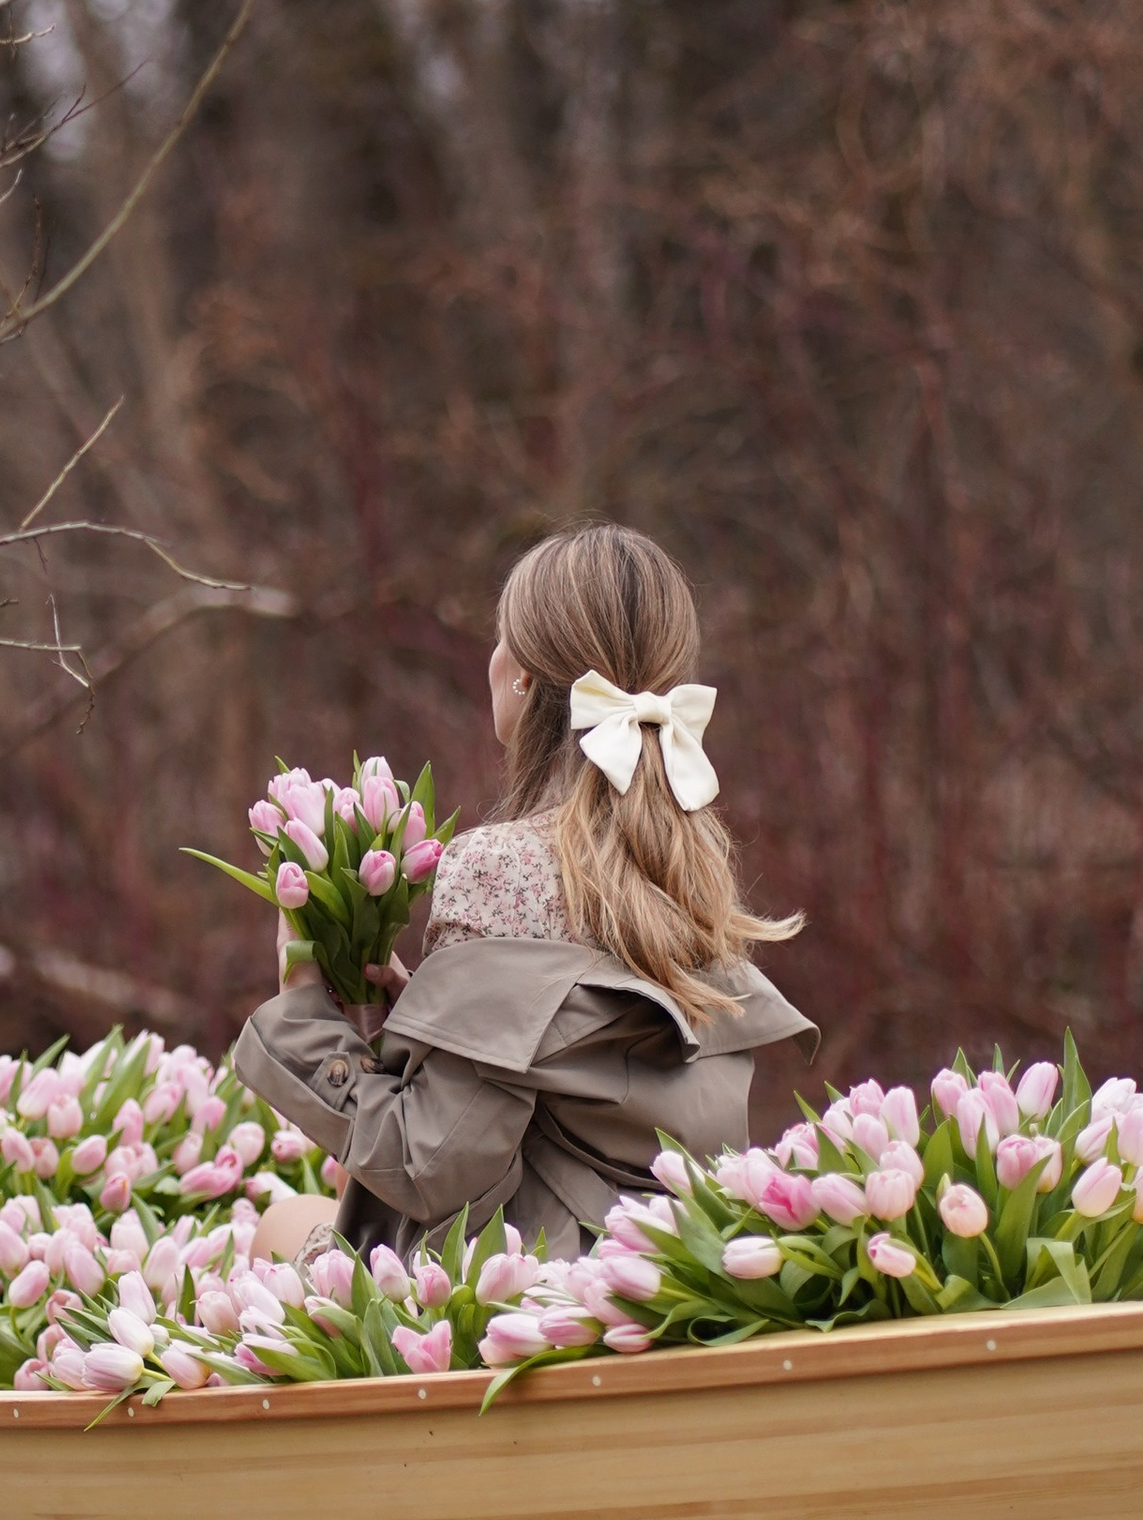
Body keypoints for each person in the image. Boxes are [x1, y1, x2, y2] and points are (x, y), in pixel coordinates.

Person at [232, 522, 810, 1260]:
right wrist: (427, 1025)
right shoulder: (691, 865)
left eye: (500, 638)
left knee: (276, 1228)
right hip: (672, 1266)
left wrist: (305, 1013)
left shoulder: (497, 865)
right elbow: (589, 1086)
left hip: (529, 1291)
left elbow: (435, 1164)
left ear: (523, 678)